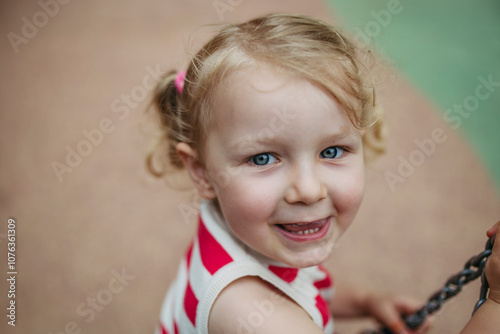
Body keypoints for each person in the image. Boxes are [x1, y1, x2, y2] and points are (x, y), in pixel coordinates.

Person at [148, 13, 500, 334]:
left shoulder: (240, 226)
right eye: (263, 158)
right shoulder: (251, 315)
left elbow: (298, 285)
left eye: (331, 151)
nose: (308, 189)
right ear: (202, 172)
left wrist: (364, 300)